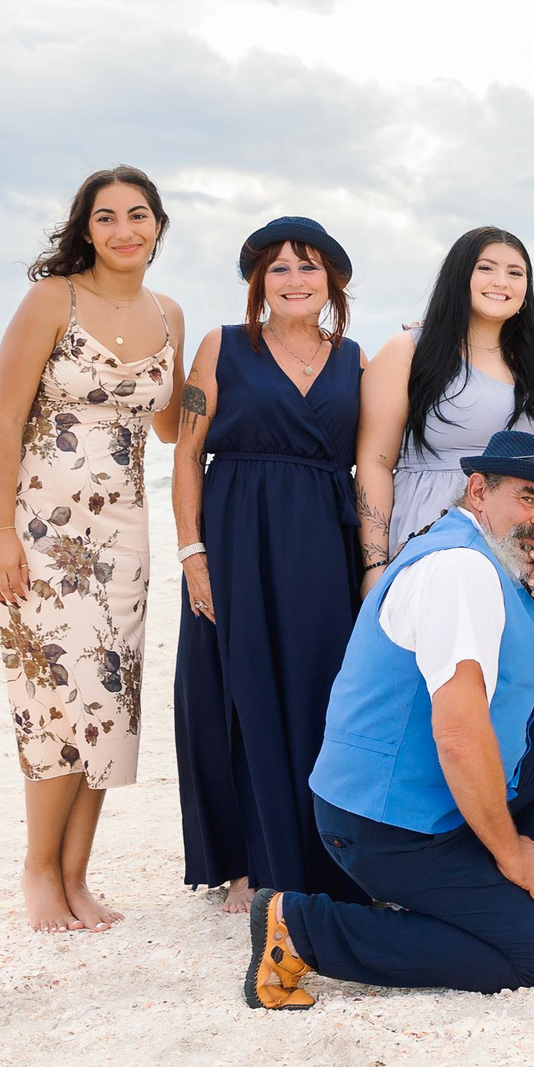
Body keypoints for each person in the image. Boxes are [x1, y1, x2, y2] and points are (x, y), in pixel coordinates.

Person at [244, 433, 534, 1007]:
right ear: (478, 491)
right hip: (384, 821)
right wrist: (513, 853)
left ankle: (468, 881)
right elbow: (457, 736)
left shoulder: (513, 566)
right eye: (528, 499)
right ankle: (299, 927)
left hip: (443, 796)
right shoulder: (460, 569)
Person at [0, 166, 187, 932]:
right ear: (86, 228)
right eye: (107, 217)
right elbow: (3, 422)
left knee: (104, 701)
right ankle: (39, 872)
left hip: (124, 537)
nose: (124, 229)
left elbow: (171, 424)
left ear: (158, 226)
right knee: (52, 701)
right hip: (44, 532)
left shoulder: (170, 315)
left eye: (138, 215)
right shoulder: (52, 299)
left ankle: (76, 876)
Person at [171, 217, 368, 913]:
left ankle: (321, 851)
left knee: (322, 686)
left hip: (322, 537)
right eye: (278, 268)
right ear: (260, 281)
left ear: (331, 283)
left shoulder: (356, 359)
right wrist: (192, 552)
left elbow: (376, 456)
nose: (293, 280)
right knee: (239, 688)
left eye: (308, 267)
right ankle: (249, 862)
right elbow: (187, 454)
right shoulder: (221, 347)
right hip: (236, 533)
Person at [355, 226, 534, 585]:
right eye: (486, 268)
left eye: (515, 273)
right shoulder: (408, 350)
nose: (501, 281)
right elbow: (374, 462)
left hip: (530, 544)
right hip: (437, 532)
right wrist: (375, 566)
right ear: (459, 276)